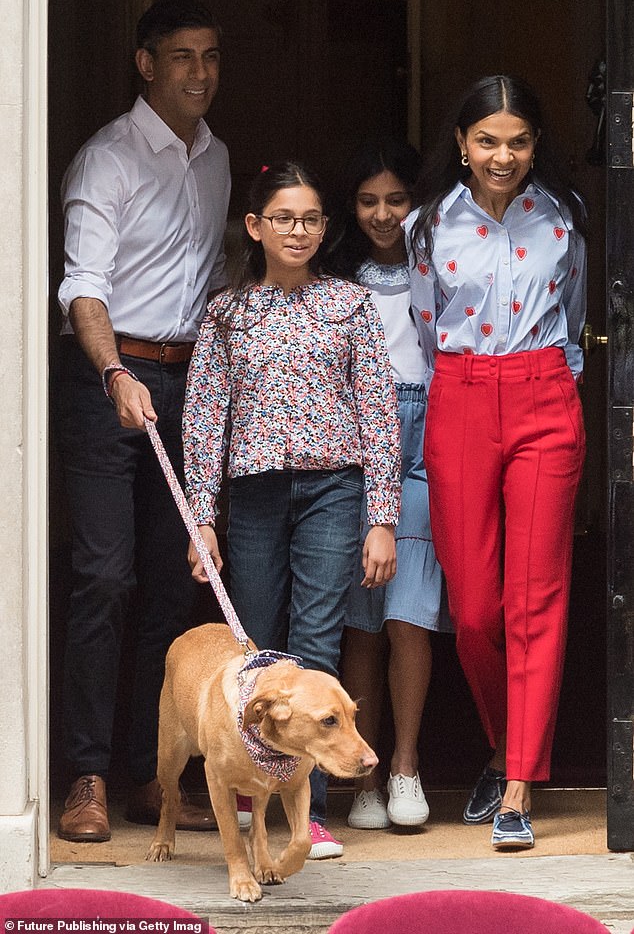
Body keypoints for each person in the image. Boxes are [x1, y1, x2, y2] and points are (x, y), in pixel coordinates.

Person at [183, 160, 401, 859]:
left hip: (333, 490)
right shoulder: (227, 312)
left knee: (315, 638)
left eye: (310, 218)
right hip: (250, 496)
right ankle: (252, 804)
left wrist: (382, 516)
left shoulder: (351, 305)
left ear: (324, 227)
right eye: (283, 218)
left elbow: (378, 412)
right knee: (252, 648)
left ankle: (308, 814)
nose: (298, 230)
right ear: (255, 226)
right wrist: (202, 517)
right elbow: (204, 418)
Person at [53, 0, 231, 842]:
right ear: (146, 64)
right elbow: (83, 286)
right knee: (104, 578)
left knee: (173, 589)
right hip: (107, 381)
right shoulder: (108, 160)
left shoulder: (216, 158)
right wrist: (114, 370)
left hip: (186, 381)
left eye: (211, 56)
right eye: (183, 56)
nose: (200, 72)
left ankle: (149, 778)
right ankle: (83, 774)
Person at [406, 74, 587, 850]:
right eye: (487, 141)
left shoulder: (565, 219)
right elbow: (423, 328)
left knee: (535, 597)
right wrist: (471, 385)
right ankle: (505, 740)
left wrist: (550, 382)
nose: (502, 155)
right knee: (477, 607)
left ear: (535, 144)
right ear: (461, 144)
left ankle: (516, 784)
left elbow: (575, 317)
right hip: (462, 395)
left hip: (545, 391)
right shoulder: (426, 227)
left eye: (517, 141)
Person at [325, 138, 448, 832]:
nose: (382, 215)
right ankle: (363, 775)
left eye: (395, 200)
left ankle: (406, 765)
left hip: (427, 439)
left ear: (417, 203)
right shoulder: (335, 280)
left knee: (410, 616)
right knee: (362, 624)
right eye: (368, 201)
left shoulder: (439, 269)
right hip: (354, 444)